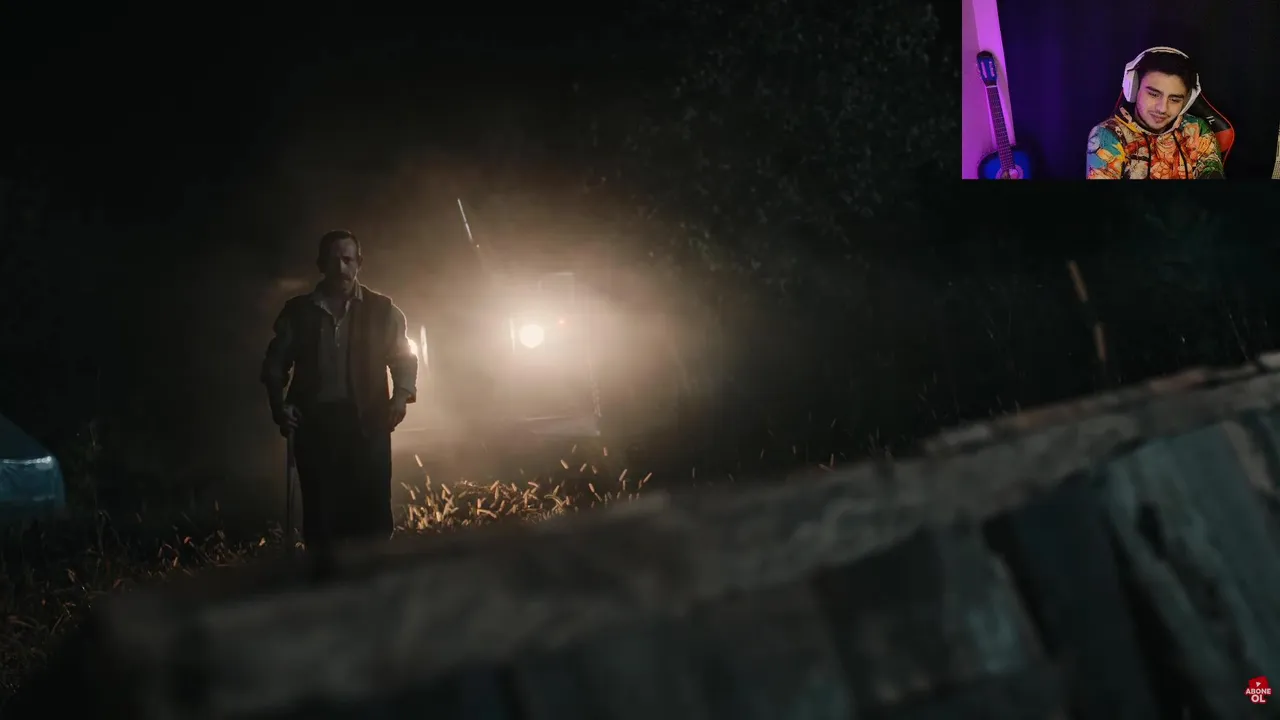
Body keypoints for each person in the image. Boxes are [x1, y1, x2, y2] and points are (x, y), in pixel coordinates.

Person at [261, 229, 418, 555]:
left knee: (372, 510)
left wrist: (400, 397)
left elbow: (403, 357)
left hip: (368, 421)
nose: (341, 268)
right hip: (315, 424)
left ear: (359, 263)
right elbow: (275, 364)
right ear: (321, 264)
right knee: (321, 514)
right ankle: (327, 578)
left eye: (348, 260)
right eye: (334, 260)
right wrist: (279, 406)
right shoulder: (299, 312)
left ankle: (375, 574)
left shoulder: (382, 310)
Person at [1086, 47, 1224, 180]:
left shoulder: (1196, 129)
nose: (1162, 109)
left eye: (1174, 99)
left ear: (1186, 102)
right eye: (1153, 94)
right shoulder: (1108, 135)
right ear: (1134, 88)